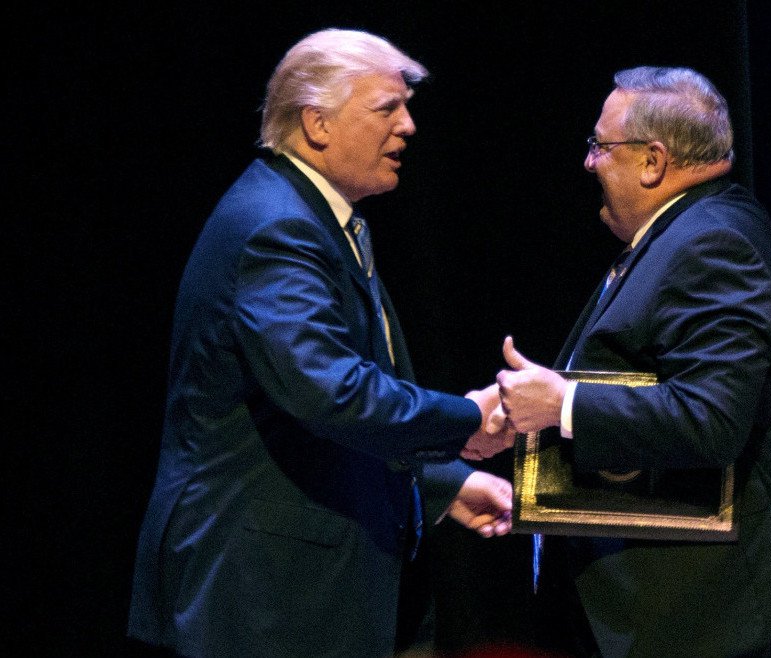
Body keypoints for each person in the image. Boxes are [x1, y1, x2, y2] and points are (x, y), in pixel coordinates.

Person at [127, 28, 516, 658]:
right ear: (317, 124)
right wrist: (468, 417)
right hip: (259, 597)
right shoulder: (277, 229)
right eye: (387, 109)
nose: (410, 126)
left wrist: (438, 482)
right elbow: (332, 395)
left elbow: (313, 428)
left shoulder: (313, 216)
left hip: (290, 587)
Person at [491, 67, 771, 656]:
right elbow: (637, 384)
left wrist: (562, 403)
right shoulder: (686, 231)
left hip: (712, 626)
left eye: (600, 146)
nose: (590, 163)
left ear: (653, 161)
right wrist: (528, 407)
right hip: (676, 621)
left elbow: (710, 419)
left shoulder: (713, 242)